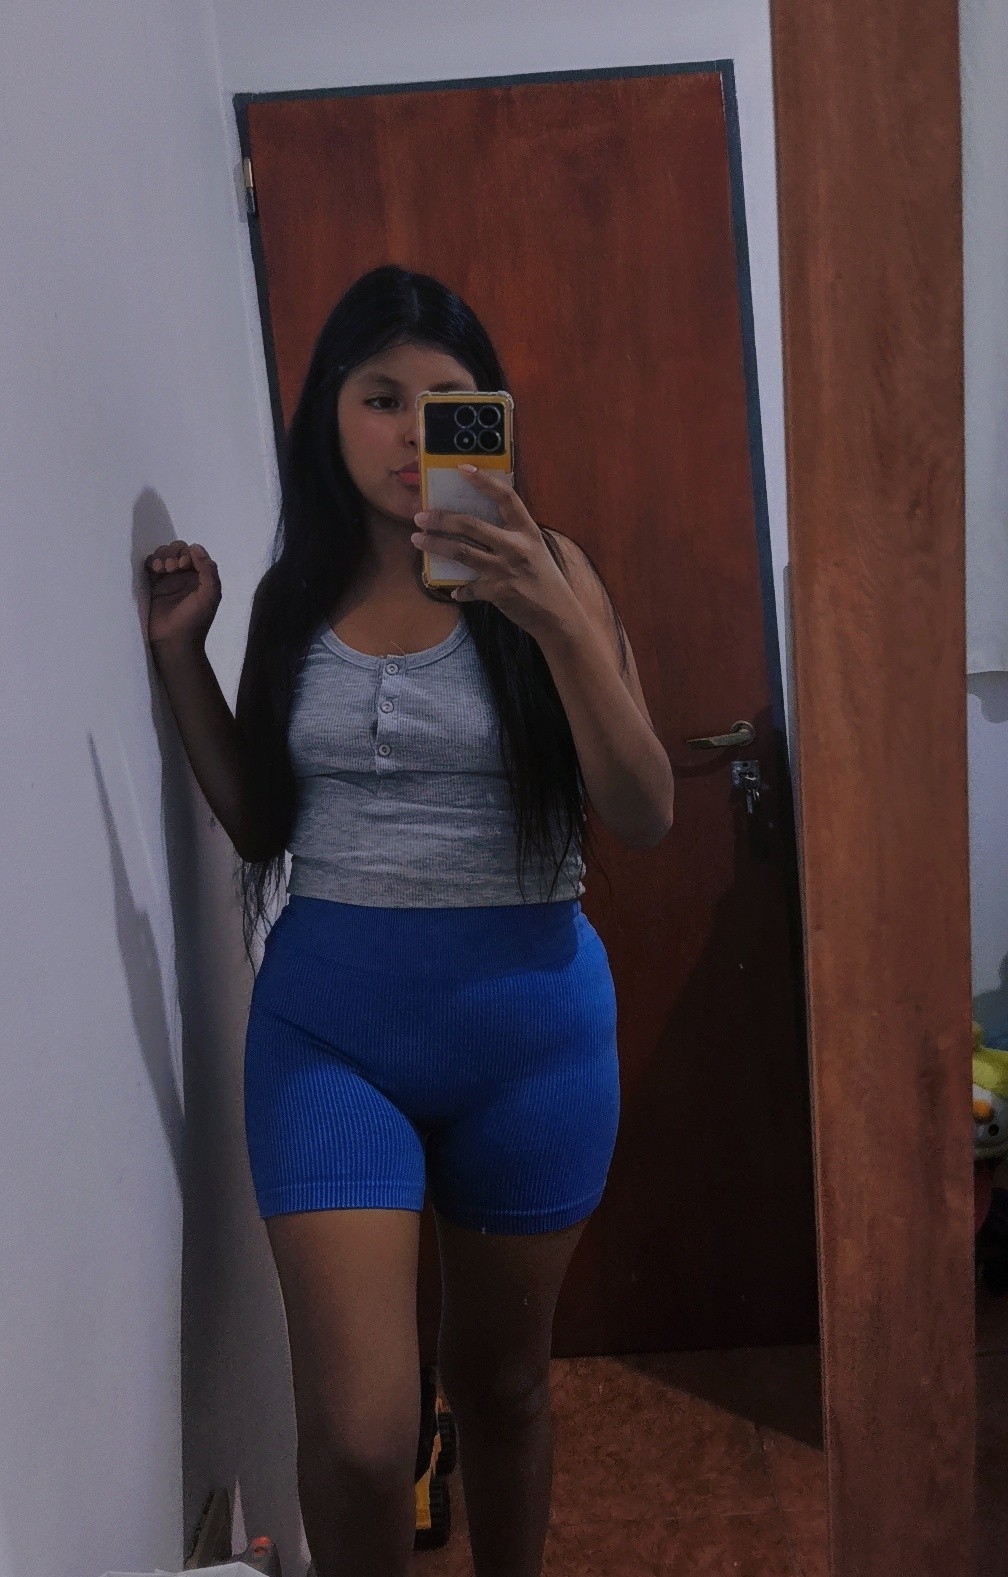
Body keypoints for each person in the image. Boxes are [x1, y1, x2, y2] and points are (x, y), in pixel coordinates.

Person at [144, 264, 674, 1577]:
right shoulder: (295, 599)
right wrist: (182, 654)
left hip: (531, 1040)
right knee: (364, 1438)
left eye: (446, 404)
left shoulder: (556, 572)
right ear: (329, 409)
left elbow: (645, 809)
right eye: (381, 398)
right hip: (331, 1036)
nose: (409, 435)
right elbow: (260, 825)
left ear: (488, 422)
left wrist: (552, 614)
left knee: (504, 1384)